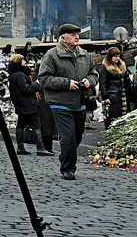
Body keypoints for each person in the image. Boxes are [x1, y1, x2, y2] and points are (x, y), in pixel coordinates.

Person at [37, 23, 99, 180]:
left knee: (77, 137)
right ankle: (68, 168)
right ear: (63, 38)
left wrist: (88, 82)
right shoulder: (52, 55)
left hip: (80, 103)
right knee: (68, 137)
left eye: (77, 34)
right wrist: (67, 83)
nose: (77, 37)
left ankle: (65, 155)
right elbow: (44, 78)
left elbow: (94, 74)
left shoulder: (85, 55)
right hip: (60, 103)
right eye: (72, 34)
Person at [8, 54, 53, 156]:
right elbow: (26, 89)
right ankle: (40, 148)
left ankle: (20, 147)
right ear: (19, 62)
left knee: (21, 125)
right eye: (23, 60)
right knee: (36, 125)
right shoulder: (20, 75)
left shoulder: (13, 75)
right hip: (29, 105)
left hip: (21, 105)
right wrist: (36, 84)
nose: (25, 61)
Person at [98, 47, 131, 129]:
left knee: (123, 116)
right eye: (115, 56)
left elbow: (127, 80)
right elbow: (102, 83)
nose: (117, 58)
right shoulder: (105, 67)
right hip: (112, 95)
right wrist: (105, 96)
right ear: (110, 57)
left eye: (118, 56)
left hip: (123, 94)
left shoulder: (122, 66)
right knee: (112, 117)